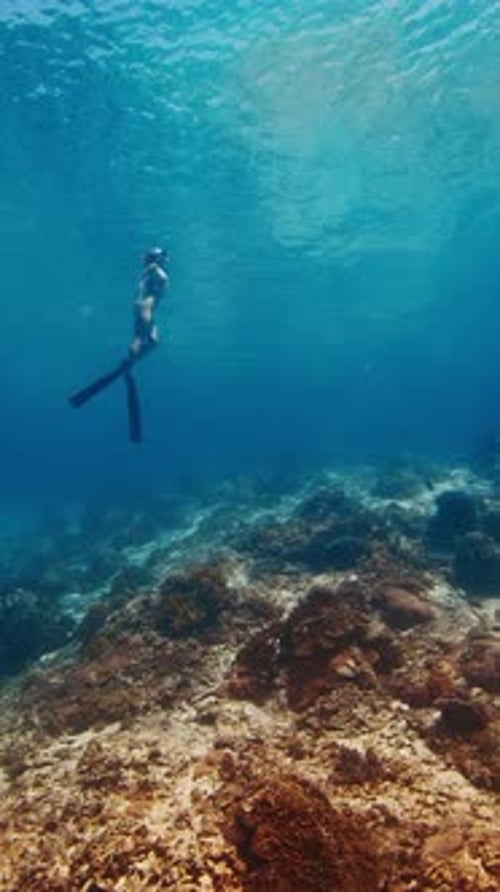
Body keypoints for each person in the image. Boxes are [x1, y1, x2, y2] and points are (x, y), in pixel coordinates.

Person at [69, 247, 169, 442]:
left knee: (152, 341)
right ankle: (128, 366)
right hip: (146, 309)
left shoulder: (146, 276)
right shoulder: (154, 270)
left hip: (143, 308)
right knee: (146, 340)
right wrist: (155, 266)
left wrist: (151, 266)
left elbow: (150, 283)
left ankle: (127, 365)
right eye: (163, 259)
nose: (165, 262)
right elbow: (162, 279)